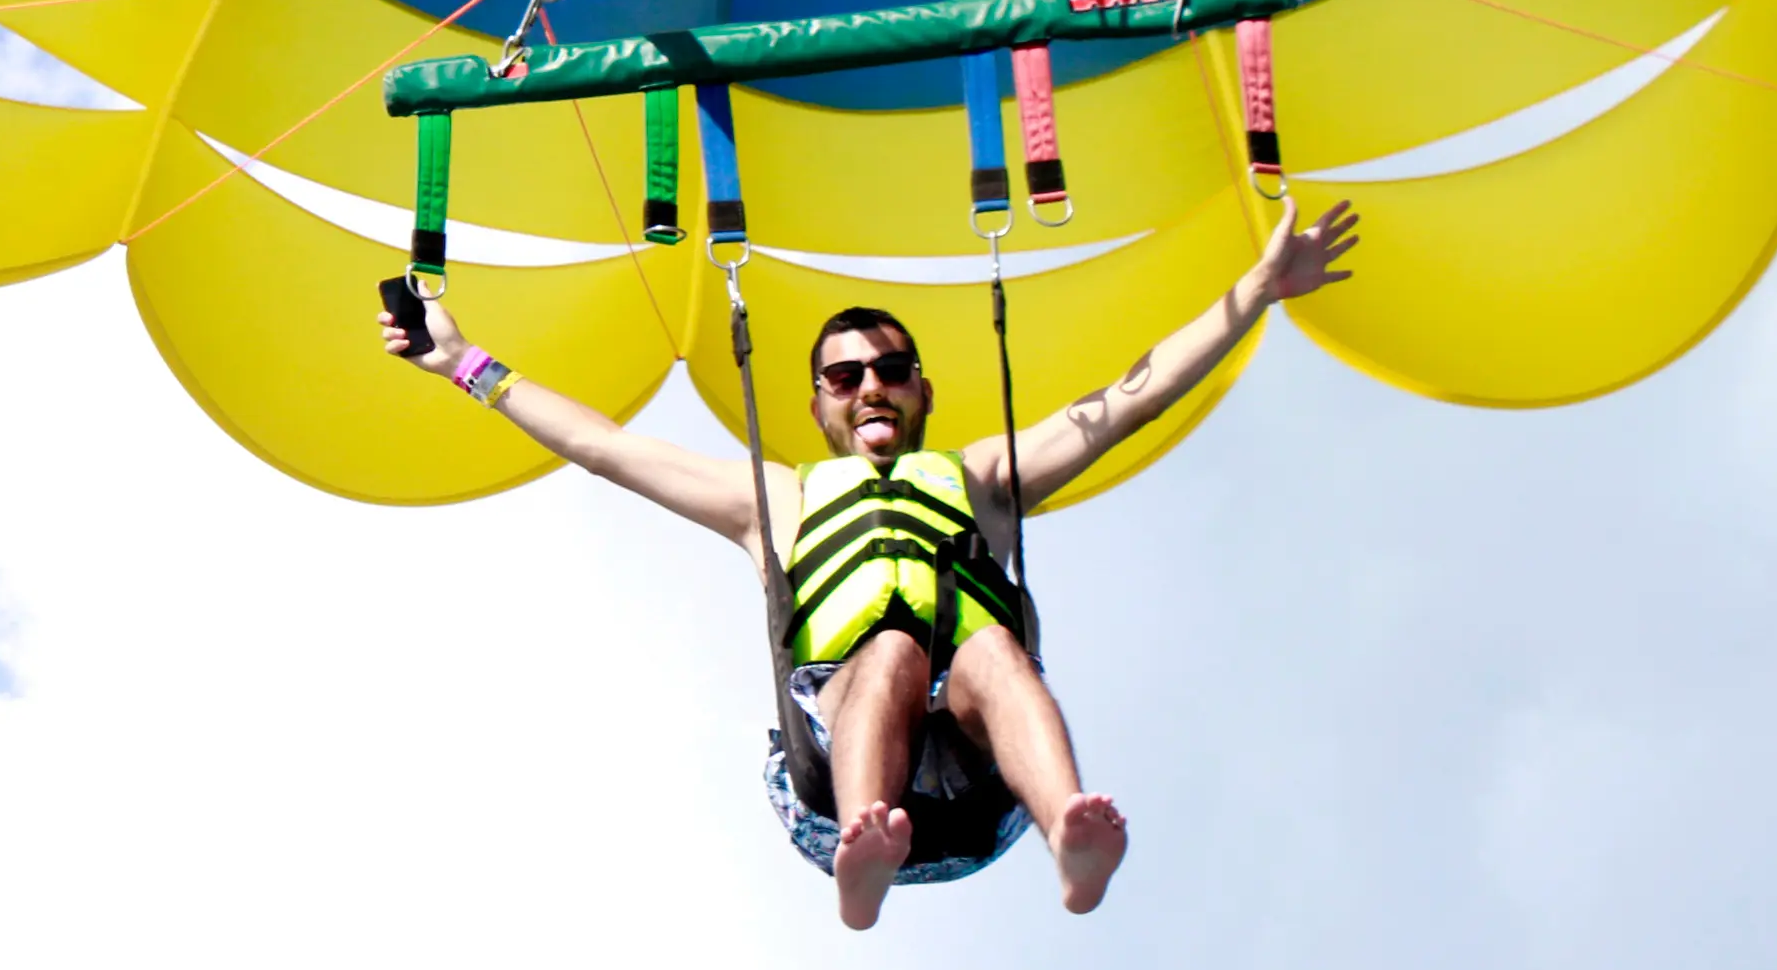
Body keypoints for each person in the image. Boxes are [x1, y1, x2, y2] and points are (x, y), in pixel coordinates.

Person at [379, 196, 1362, 930]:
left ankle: (1070, 831)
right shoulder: (778, 500)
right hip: (836, 765)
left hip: (984, 785)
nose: (870, 387)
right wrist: (467, 365)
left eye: (891, 369)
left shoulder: (981, 477)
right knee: (891, 650)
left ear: (922, 389)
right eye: (845, 376)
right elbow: (605, 447)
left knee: (987, 650)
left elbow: (1130, 397)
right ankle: (866, 854)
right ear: (817, 404)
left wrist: (1257, 294)